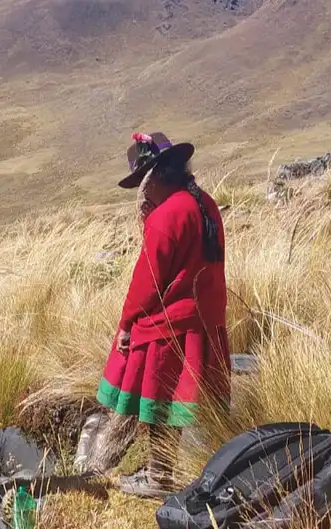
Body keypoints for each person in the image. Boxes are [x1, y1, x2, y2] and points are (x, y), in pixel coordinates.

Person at [96, 132, 231, 498]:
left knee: (160, 403)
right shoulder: (205, 203)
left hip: (170, 326)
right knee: (178, 404)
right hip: (205, 322)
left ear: (152, 178)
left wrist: (126, 324)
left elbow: (147, 281)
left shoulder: (168, 214)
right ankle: (172, 472)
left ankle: (157, 478)